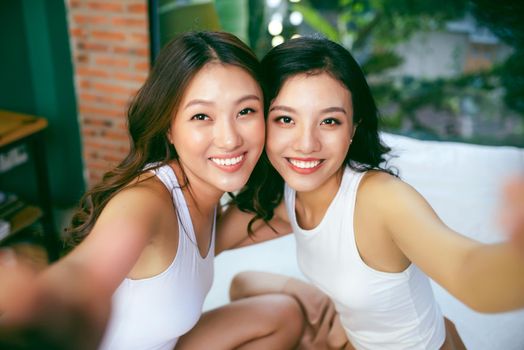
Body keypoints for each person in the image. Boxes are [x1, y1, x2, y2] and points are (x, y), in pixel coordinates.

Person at [0, 31, 312, 350]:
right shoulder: (146, 202)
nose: (230, 138)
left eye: (245, 111)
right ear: (169, 128)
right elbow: (85, 276)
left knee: (282, 315)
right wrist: (45, 309)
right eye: (201, 116)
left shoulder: (208, 200)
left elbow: (298, 212)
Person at [216, 37, 524, 350]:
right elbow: (207, 240)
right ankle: (331, 330)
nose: (306, 143)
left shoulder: (381, 198)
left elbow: (468, 273)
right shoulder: (288, 197)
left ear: (353, 128)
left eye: (330, 121)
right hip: (353, 334)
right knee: (245, 283)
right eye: (285, 119)